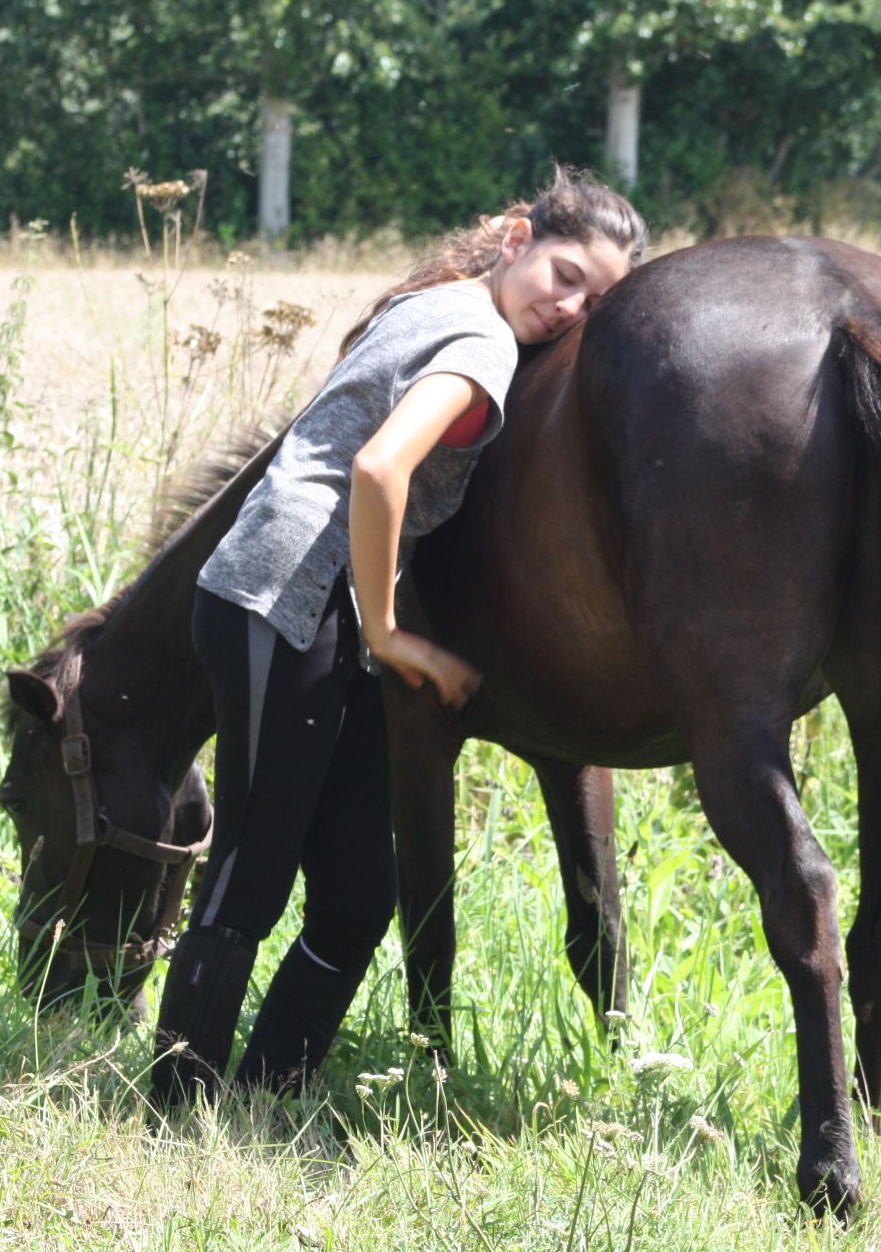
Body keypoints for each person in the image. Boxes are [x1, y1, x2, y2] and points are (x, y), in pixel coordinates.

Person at [152, 169, 647, 1106]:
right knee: (248, 877)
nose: (570, 306)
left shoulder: (439, 299)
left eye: (596, 299)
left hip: (310, 608)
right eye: (565, 273)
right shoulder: (481, 341)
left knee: (358, 895)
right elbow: (381, 469)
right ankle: (173, 1108)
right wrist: (389, 631)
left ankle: (264, 1093)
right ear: (515, 239)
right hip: (277, 594)